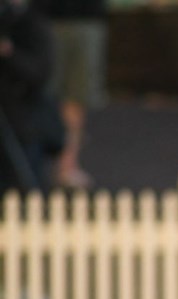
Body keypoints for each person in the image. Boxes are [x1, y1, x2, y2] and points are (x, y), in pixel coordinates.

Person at [46, 0, 107, 189]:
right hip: (47, 17)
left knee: (76, 97)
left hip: (84, 17)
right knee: (43, 93)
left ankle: (67, 164)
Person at [0, 0, 55, 193]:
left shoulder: (33, 25)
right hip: (12, 114)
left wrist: (10, 53)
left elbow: (38, 73)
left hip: (23, 122)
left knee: (24, 184)